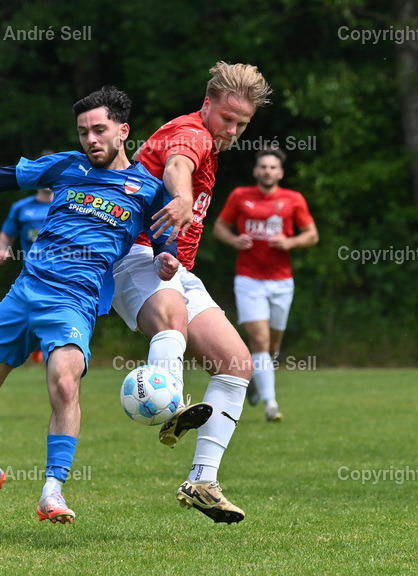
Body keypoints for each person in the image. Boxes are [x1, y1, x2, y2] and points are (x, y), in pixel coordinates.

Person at [0, 86, 191, 525]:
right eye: (83, 131)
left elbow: (167, 242)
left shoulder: (147, 190)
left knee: (64, 384)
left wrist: (167, 259)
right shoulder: (66, 166)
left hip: (75, 300)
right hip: (26, 289)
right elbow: (4, 175)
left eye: (99, 130)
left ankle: (53, 490)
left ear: (123, 131)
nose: (90, 139)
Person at [110, 61, 272, 524]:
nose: (232, 130)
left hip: (172, 266)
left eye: (242, 124)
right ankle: (171, 401)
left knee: (236, 363)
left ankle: (203, 480)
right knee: (172, 314)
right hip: (135, 254)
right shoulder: (193, 133)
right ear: (207, 105)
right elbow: (180, 162)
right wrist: (180, 196)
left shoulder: (210, 141)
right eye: (227, 118)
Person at [214, 148, 318, 422]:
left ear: (280, 173)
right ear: (256, 171)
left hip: (282, 281)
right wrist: (235, 240)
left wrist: (290, 242)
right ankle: (271, 405)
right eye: (263, 166)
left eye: (273, 167)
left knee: (272, 347)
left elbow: (312, 235)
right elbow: (219, 228)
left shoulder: (293, 199)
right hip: (249, 280)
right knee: (259, 340)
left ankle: (256, 382)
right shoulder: (240, 196)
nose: (267, 171)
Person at [0, 161, 55, 364]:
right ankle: (27, 351)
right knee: (28, 312)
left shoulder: (67, 205)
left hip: (64, 273)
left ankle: (53, 353)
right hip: (32, 274)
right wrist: (2, 250)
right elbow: (6, 235)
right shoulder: (21, 208)